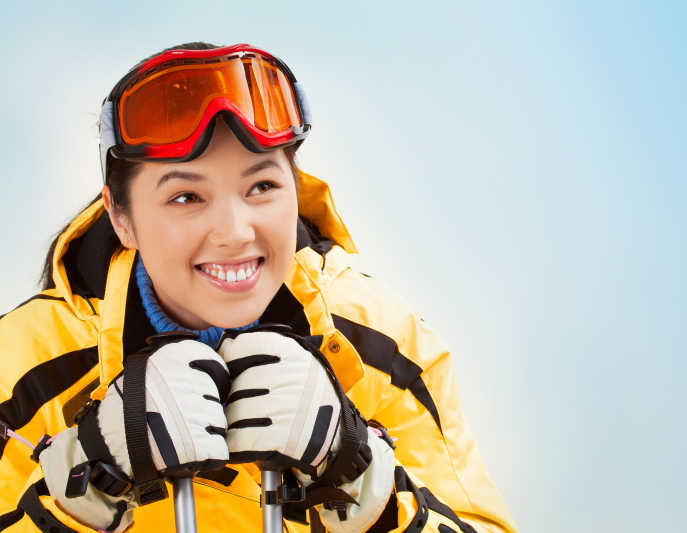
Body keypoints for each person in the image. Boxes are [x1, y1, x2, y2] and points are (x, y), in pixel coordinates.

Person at [0, 42, 517, 533]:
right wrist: (80, 490)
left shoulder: (383, 343)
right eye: (186, 197)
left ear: (296, 188)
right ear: (122, 217)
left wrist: (362, 480)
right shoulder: (21, 367)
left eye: (262, 186)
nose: (235, 232)